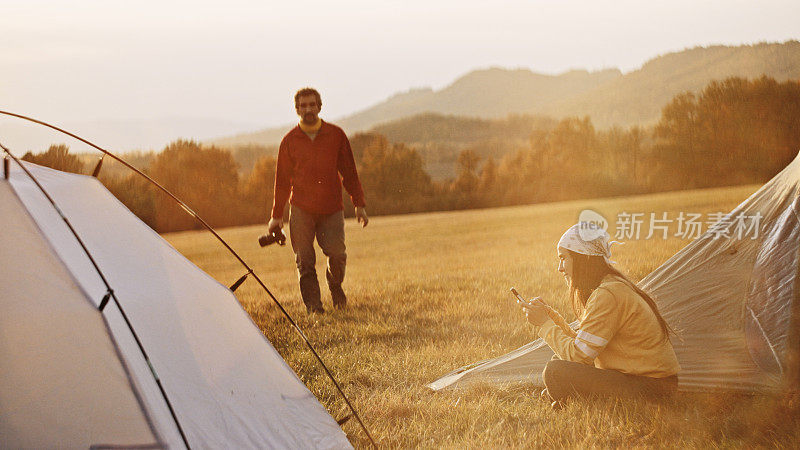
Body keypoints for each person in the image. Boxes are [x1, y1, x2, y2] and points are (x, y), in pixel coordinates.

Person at [521, 223, 680, 406]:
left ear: (584, 258)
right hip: (651, 384)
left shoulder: (608, 294)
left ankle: (573, 398)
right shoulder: (611, 286)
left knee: (555, 371)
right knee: (559, 362)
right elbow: (584, 347)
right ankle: (570, 397)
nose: (560, 268)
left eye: (564, 258)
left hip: (651, 389)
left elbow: (579, 356)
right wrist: (551, 317)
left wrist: (544, 324)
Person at [267, 87, 368, 314]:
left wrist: (359, 204)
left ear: (320, 107)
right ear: (296, 109)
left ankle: (334, 284)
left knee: (338, 255)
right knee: (304, 260)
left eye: (312, 105)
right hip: (301, 209)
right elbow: (281, 182)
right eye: (303, 106)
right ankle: (315, 309)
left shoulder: (336, 135)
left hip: (331, 208)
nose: (308, 109)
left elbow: (349, 172)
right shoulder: (289, 141)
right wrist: (276, 216)